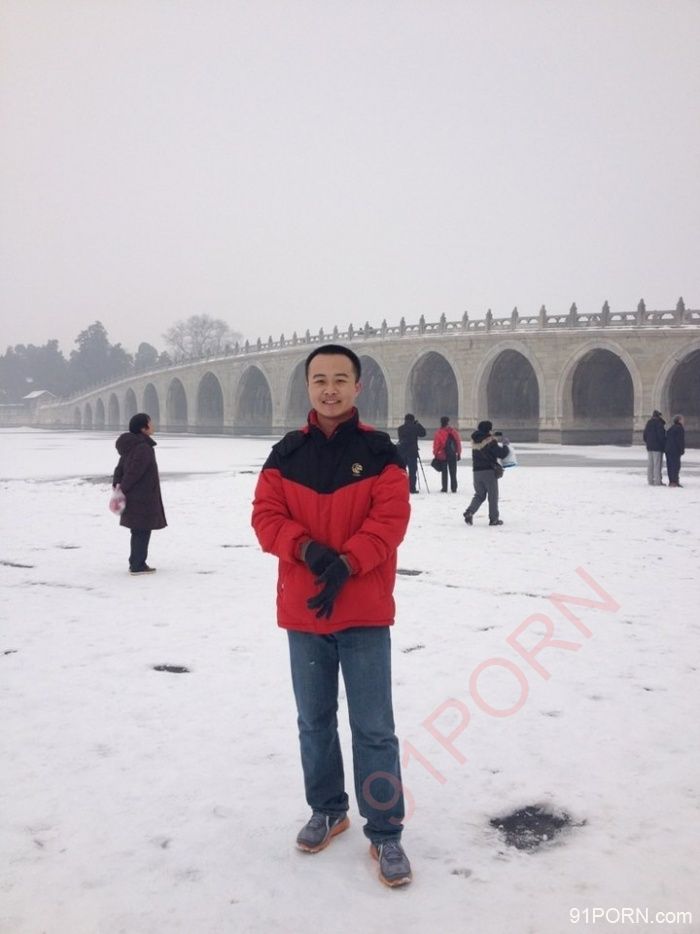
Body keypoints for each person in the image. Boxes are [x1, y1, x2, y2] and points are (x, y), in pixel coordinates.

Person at [251, 344, 412, 888]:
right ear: (308, 386)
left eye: (341, 378)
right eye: (320, 379)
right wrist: (308, 550)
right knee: (314, 722)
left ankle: (385, 831)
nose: (330, 389)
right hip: (305, 612)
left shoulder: (381, 452)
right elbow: (266, 516)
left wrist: (348, 562)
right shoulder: (286, 453)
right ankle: (327, 808)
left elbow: (390, 520)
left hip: (363, 611)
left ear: (357, 386)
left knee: (374, 729)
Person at [112, 413, 166, 574]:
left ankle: (136, 562)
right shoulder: (143, 448)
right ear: (143, 428)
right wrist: (123, 488)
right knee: (142, 530)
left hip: (134, 496)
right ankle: (138, 564)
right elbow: (134, 472)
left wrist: (118, 487)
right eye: (150, 423)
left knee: (138, 530)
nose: (153, 425)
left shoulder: (131, 446)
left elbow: (119, 469)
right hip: (143, 497)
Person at [463, 420, 510, 527]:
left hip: (476, 471)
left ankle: (469, 512)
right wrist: (505, 445)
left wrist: (492, 436)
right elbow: (502, 454)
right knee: (493, 496)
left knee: (479, 495)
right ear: (488, 429)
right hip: (488, 471)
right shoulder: (490, 441)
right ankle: (494, 519)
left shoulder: (474, 440)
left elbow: (483, 441)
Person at [397, 413, 426, 493]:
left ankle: (402, 486)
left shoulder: (400, 428)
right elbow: (423, 433)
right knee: (412, 471)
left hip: (402, 452)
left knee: (402, 471)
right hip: (412, 452)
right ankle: (412, 488)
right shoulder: (415, 427)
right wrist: (418, 424)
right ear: (413, 420)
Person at [432, 415, 462, 493]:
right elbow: (458, 442)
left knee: (444, 472)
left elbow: (436, 444)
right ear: (448, 422)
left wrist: (435, 453)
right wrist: (458, 453)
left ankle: (444, 488)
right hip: (452, 453)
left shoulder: (439, 432)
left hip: (442, 454)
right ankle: (454, 488)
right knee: (453, 472)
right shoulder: (453, 431)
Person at [643, 410, 666, 486]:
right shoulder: (659, 423)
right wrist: (663, 445)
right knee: (657, 465)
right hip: (657, 447)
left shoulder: (649, 423)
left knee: (650, 465)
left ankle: (650, 480)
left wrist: (648, 442)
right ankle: (657, 481)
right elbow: (661, 436)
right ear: (659, 416)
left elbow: (645, 435)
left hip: (649, 447)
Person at [665, 414, 685, 487]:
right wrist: (682, 450)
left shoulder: (671, 428)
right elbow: (680, 440)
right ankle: (675, 481)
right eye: (682, 420)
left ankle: (671, 481)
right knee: (676, 466)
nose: (683, 421)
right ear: (679, 420)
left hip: (668, 449)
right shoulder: (680, 428)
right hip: (675, 450)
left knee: (670, 465)